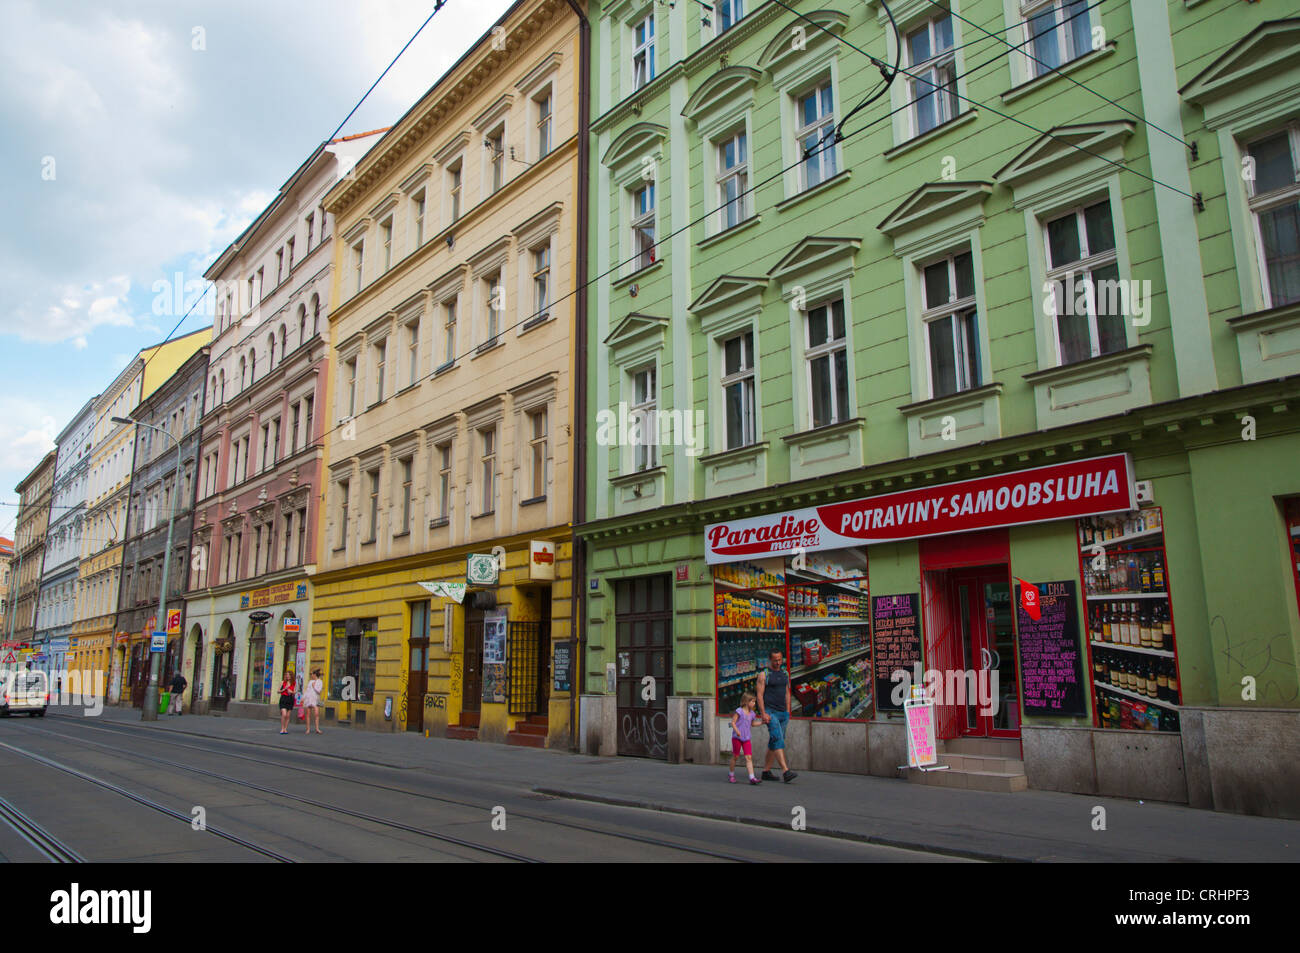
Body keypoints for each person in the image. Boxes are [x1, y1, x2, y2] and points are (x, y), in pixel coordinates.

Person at [756, 650, 797, 783]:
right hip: (770, 712)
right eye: (775, 660)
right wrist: (763, 713)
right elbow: (759, 695)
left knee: (775, 740)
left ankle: (766, 771)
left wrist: (788, 711)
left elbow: (787, 693)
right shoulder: (764, 675)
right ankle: (786, 771)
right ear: (770, 660)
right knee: (777, 738)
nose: (778, 662)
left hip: (783, 713)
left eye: (780, 659)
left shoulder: (785, 674)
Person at [728, 691, 761, 784]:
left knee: (749, 757)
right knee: (735, 756)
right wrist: (737, 731)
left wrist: (762, 723)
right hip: (737, 738)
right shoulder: (739, 711)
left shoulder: (752, 714)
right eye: (753, 702)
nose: (754, 704)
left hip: (746, 738)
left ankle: (752, 777)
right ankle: (731, 774)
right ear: (746, 702)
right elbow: (733, 722)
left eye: (755, 702)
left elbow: (753, 724)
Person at [302, 668, 323, 734]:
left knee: (316, 714)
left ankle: (317, 728)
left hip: (315, 699)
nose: (311, 675)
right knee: (308, 714)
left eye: (312, 674)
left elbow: (319, 691)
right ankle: (308, 729)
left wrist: (314, 687)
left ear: (315, 675)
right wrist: (303, 698)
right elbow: (307, 691)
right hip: (309, 699)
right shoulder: (310, 682)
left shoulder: (320, 681)